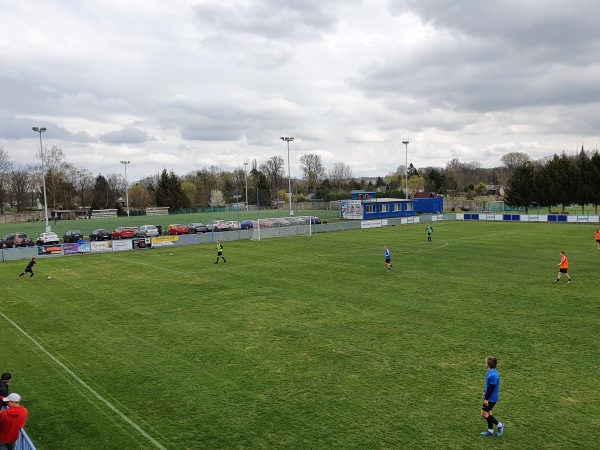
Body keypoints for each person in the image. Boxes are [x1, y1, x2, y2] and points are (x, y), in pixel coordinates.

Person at [480, 356, 504, 437]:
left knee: (483, 413)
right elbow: (488, 385)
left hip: (491, 398)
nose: (485, 363)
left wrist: (486, 399)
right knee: (488, 413)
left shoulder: (494, 375)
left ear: (489, 364)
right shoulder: (490, 371)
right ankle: (490, 431)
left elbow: (491, 388)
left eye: (486, 362)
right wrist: (484, 391)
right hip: (489, 396)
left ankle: (500, 425)